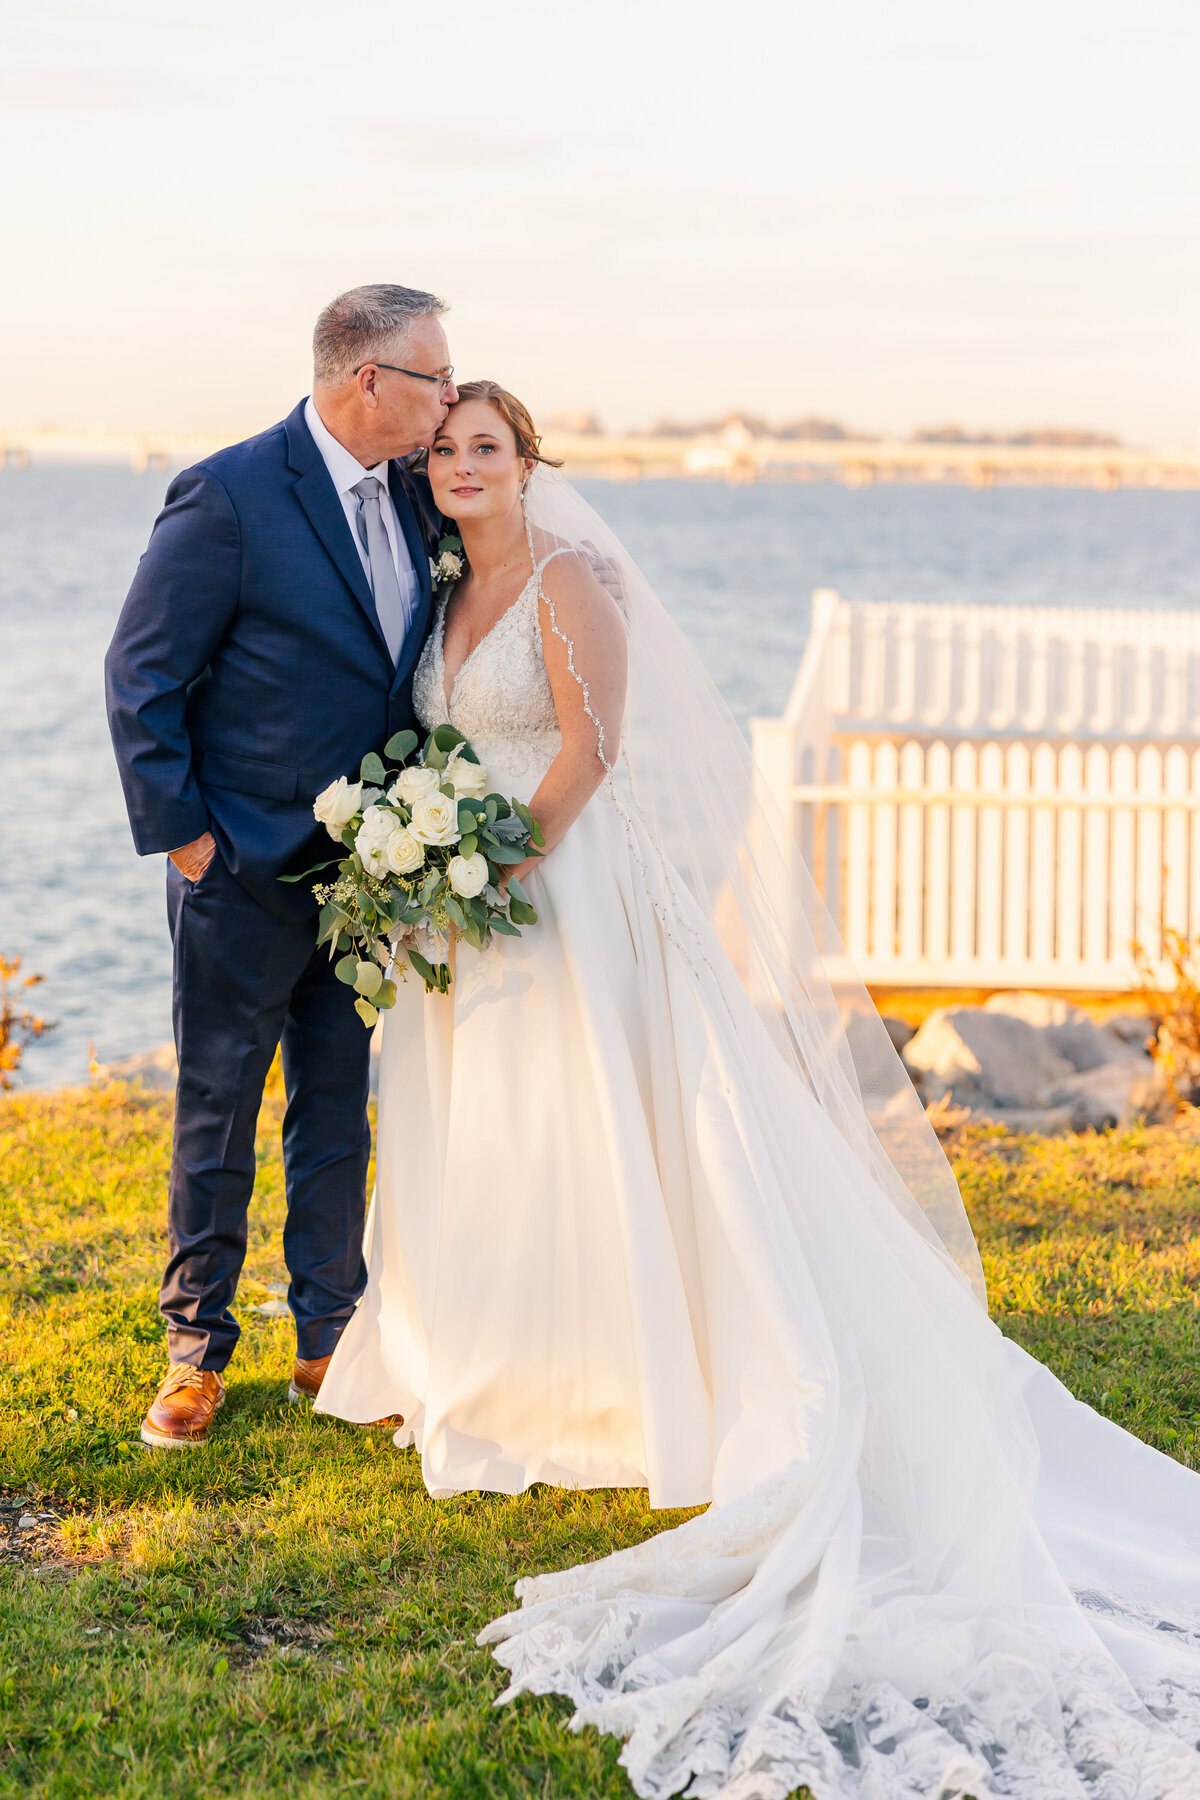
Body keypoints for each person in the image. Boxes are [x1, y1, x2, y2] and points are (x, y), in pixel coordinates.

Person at [317, 380, 1200, 1798]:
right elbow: (447, 743)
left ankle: (638, 1380)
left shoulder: (569, 572)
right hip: (468, 910)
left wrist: (486, 868)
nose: (462, 468)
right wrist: (427, 871)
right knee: (497, 1138)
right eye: (444, 453)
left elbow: (591, 757)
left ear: (526, 462)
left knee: (607, 1126)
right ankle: (502, 1365)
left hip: (567, 893)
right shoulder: (441, 588)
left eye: (487, 448)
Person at [104, 285, 457, 1449]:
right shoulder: (231, 492)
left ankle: (329, 1339)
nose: (447, 397)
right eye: (431, 379)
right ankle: (194, 1351)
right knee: (217, 1108)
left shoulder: (421, 494)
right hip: (239, 867)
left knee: (337, 1107)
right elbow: (141, 673)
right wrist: (190, 837)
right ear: (369, 381)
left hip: (367, 873)